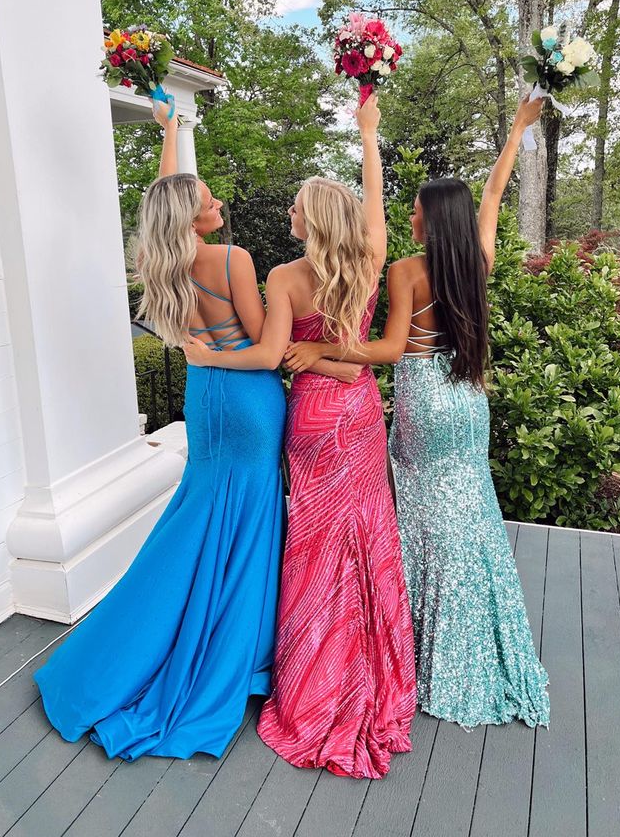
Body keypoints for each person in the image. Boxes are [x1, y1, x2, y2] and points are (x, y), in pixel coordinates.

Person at [33, 101, 360, 762]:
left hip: (205, 395)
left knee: (202, 511)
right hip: (245, 390)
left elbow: (166, 200)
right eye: (207, 198)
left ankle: (133, 640)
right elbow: (262, 343)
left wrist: (172, 134)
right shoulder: (233, 259)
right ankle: (235, 655)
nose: (216, 201)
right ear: (195, 215)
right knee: (249, 519)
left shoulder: (161, 258)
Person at [284, 96, 550, 729]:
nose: (408, 215)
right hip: (468, 399)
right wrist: (515, 130)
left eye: (414, 210)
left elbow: (391, 348)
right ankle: (481, 634)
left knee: (425, 518)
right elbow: (491, 198)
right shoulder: (477, 262)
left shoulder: (407, 270)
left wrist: (321, 346)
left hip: (425, 399)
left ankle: (430, 650)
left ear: (431, 220)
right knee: (472, 511)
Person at [184, 94, 417, 779]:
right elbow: (373, 203)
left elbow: (273, 354)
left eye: (293, 207)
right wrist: (369, 132)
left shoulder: (284, 277)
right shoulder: (370, 259)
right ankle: (370, 667)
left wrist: (209, 355)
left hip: (311, 417)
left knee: (314, 546)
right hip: (359, 413)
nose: (287, 215)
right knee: (367, 534)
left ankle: (316, 675)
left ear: (310, 219)